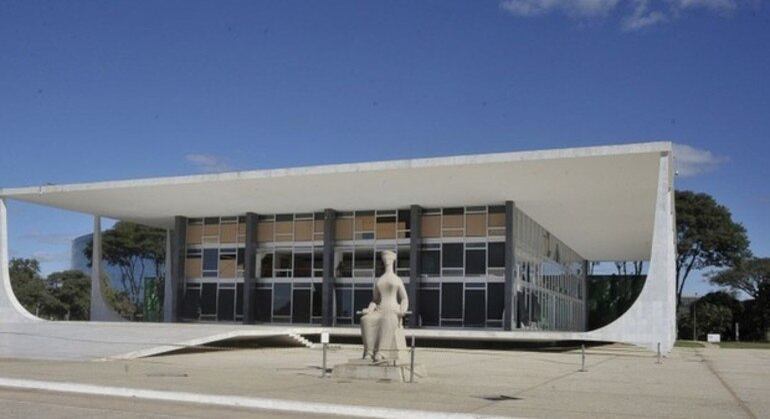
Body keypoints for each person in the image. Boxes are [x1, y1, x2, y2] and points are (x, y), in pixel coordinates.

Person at [360, 250, 409, 363]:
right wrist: (370, 309)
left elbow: (404, 298)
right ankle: (369, 351)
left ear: (393, 260)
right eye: (384, 258)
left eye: (389, 258)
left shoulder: (397, 280)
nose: (386, 260)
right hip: (380, 309)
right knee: (366, 320)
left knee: (387, 319)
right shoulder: (380, 280)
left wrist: (403, 310)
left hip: (393, 310)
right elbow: (375, 300)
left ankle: (381, 352)